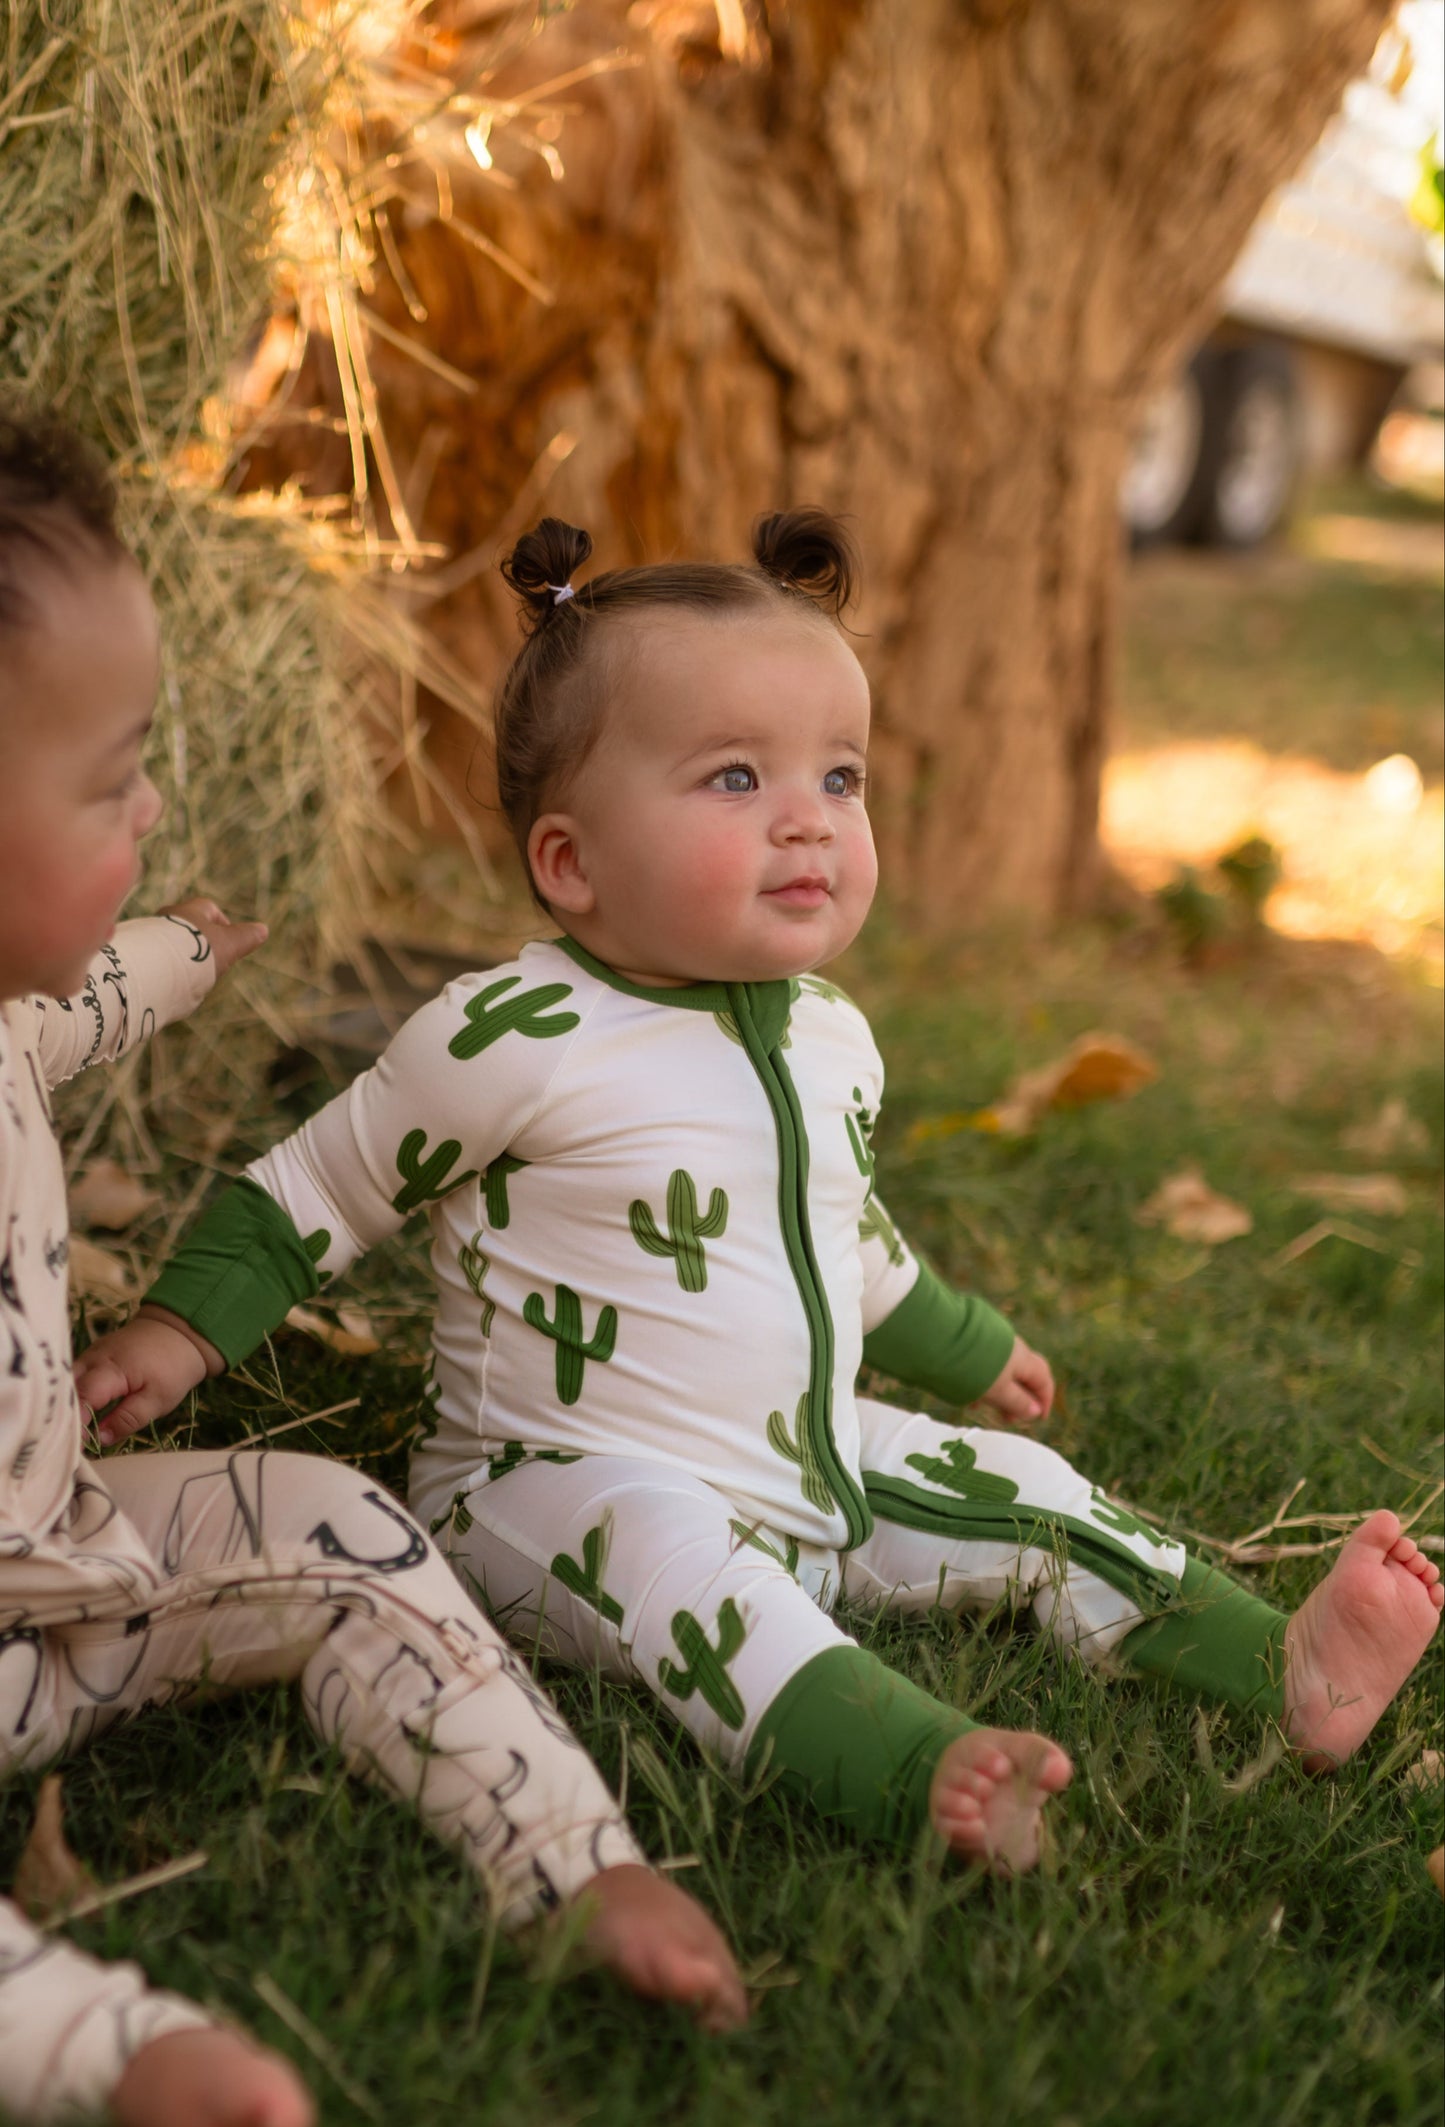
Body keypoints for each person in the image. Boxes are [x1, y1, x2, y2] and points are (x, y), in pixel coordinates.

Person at [79, 510, 1443, 1881]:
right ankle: (916, 1770)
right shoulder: (513, 1037)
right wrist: (177, 1334)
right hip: (557, 1485)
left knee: (1027, 1492)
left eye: (837, 777)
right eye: (735, 778)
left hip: (796, 1447)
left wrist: (971, 1348)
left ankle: (1283, 1666)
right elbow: (317, 1187)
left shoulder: (825, 1035)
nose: (807, 817)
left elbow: (852, 1244)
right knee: (695, 1584)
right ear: (571, 863)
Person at [0, 416, 748, 2127]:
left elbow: (76, 1010)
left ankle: (568, 1859)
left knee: (336, 1526)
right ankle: (114, 2049)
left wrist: (184, 944)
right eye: (111, 787)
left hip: (71, 1569)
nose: (154, 803)